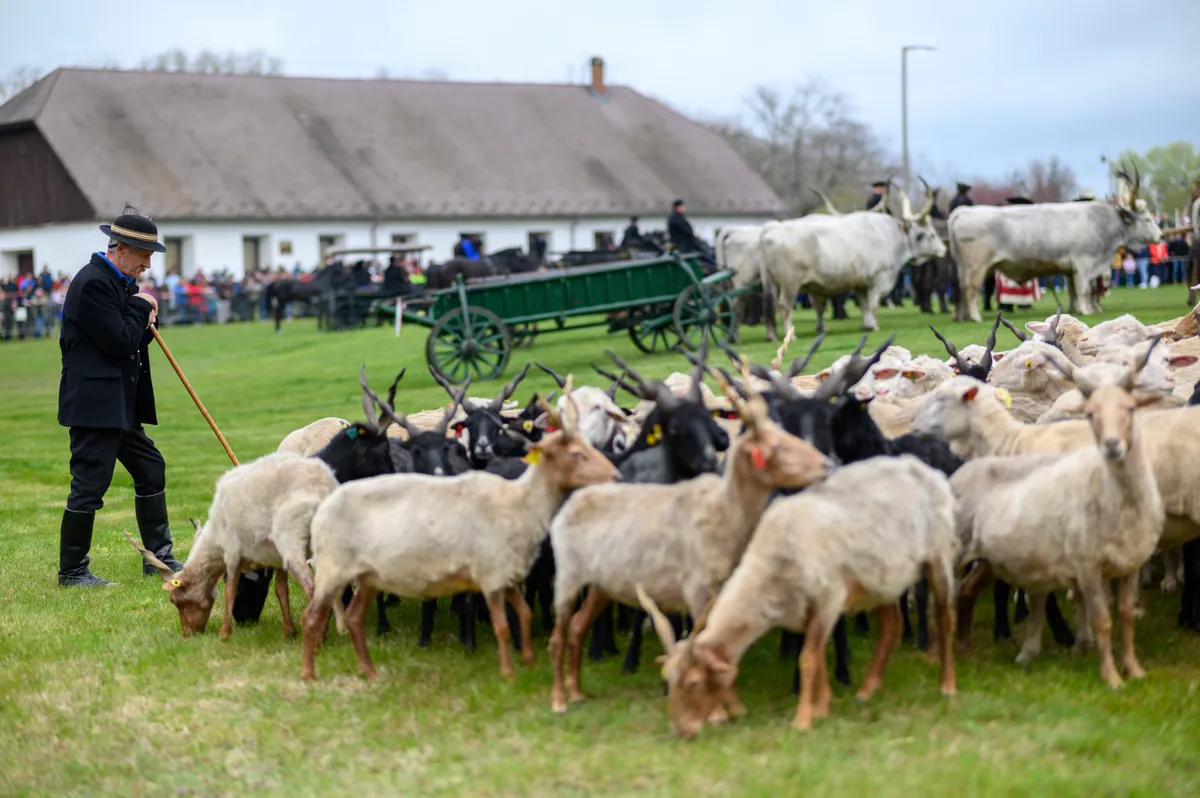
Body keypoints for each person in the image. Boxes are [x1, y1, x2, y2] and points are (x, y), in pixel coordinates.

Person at [56, 208, 183, 587]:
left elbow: (128, 343)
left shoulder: (119, 283)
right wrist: (141, 306)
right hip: (95, 405)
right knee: (89, 486)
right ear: (122, 249)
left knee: (150, 468)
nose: (148, 264)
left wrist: (144, 317)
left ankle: (158, 559)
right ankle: (72, 571)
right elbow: (118, 341)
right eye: (144, 255)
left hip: (119, 405)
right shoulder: (92, 283)